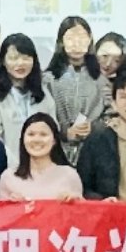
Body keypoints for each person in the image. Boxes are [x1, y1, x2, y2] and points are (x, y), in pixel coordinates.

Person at [0, 33, 56, 172]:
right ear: (3, 61)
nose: (20, 63)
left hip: (43, 169)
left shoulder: (43, 94)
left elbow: (53, 131)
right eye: (13, 58)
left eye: (26, 58)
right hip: (7, 170)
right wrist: (18, 168)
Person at [46, 16, 109, 163]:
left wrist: (94, 128)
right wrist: (65, 132)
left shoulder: (101, 79)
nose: (76, 43)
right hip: (55, 153)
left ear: (90, 40)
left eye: (81, 37)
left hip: (94, 152)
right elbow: (42, 115)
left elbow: (112, 115)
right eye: (70, 38)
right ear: (61, 41)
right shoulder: (48, 79)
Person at [0, 113, 82, 202]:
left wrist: (73, 201)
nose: (37, 140)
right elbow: (1, 210)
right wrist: (16, 207)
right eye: (31, 134)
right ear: (23, 139)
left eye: (43, 134)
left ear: (54, 140)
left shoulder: (69, 175)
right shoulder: (8, 177)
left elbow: (82, 209)